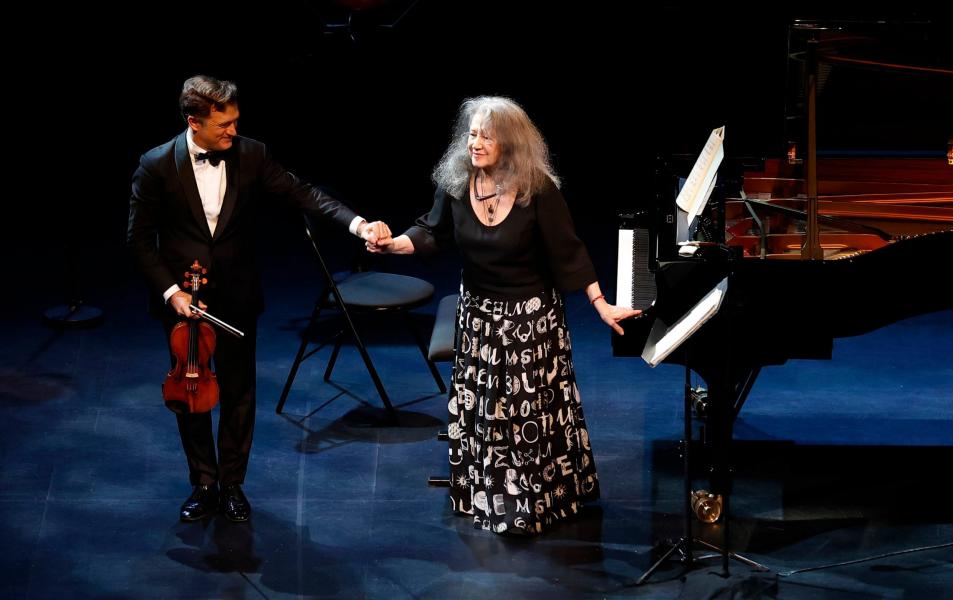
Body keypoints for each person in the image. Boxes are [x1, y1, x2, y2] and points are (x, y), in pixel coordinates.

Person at [368, 96, 641, 534]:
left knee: (527, 418)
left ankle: (536, 502)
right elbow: (429, 233)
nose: (474, 143)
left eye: (485, 136)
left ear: (509, 143)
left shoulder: (538, 189)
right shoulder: (458, 183)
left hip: (531, 322)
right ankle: (491, 499)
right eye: (472, 134)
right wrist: (391, 243)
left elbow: (568, 252)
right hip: (479, 318)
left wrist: (599, 303)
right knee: (489, 416)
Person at [127, 75, 390, 523]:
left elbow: (303, 194)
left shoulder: (251, 154)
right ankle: (203, 482)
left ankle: (232, 483)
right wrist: (171, 292)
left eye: (235, 122)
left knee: (238, 392)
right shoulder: (155, 165)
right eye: (223, 125)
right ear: (194, 122)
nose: (232, 132)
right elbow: (138, 240)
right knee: (190, 390)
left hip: (236, 292)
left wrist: (360, 225)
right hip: (183, 298)